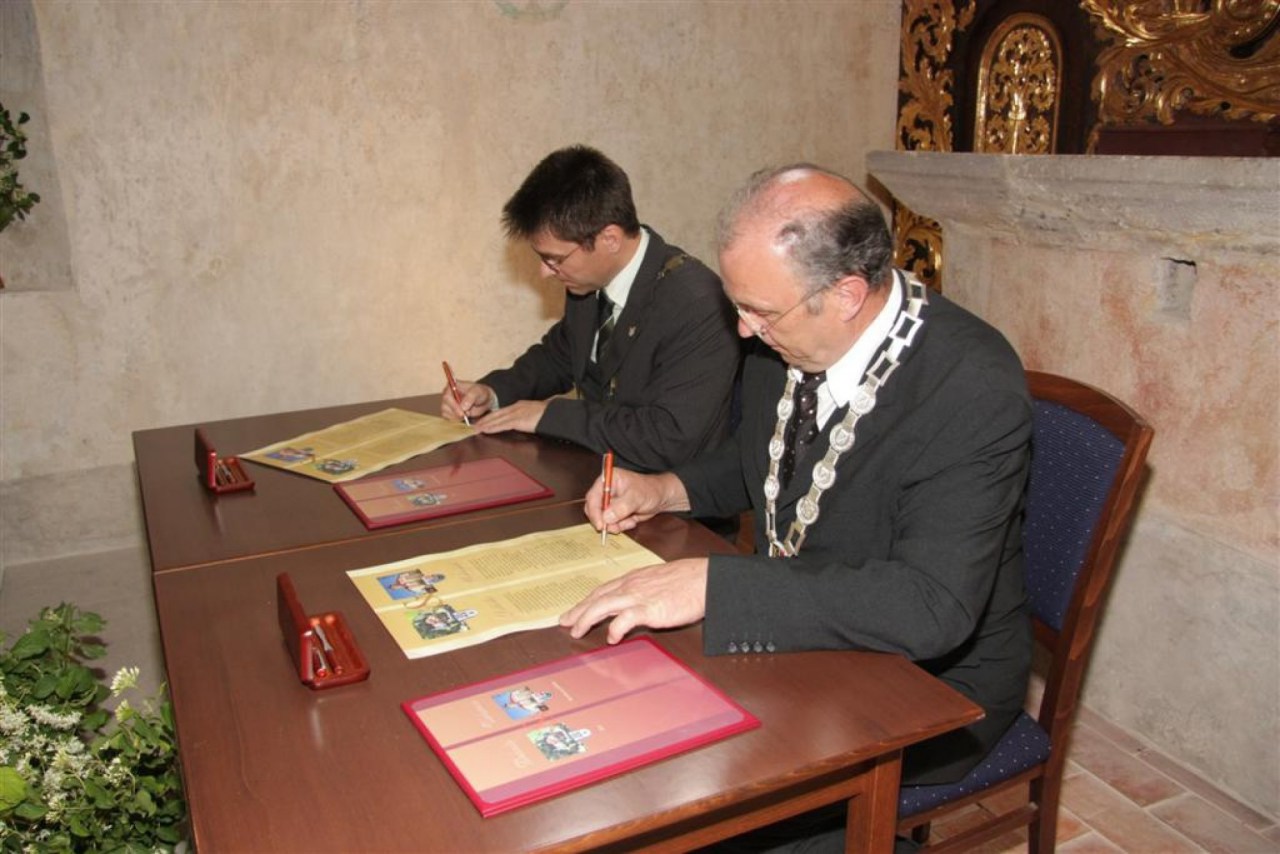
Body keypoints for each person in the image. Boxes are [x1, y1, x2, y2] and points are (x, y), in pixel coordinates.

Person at [561, 164, 1033, 803]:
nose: (743, 331)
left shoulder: (969, 384)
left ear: (846, 295)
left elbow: (932, 605)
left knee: (715, 796)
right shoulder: (784, 336)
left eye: (758, 311)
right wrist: (664, 488)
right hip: (806, 628)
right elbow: (758, 459)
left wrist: (714, 585)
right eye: (738, 305)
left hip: (932, 685)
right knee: (628, 716)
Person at [441, 145, 741, 474]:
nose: (545, 272)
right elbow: (561, 355)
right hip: (595, 474)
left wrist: (550, 415)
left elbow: (668, 438)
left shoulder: (697, 304)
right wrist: (493, 392)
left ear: (609, 238)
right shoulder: (588, 282)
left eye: (555, 259)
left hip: (671, 496)